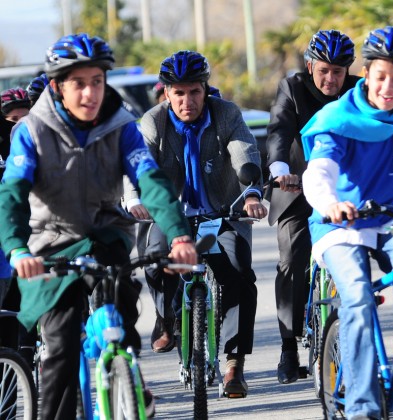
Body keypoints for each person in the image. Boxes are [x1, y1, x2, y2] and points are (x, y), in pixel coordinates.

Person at [0, 33, 198, 419]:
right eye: (78, 83)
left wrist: (178, 235)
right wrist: (17, 248)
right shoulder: (31, 130)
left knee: (121, 305)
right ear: (57, 86)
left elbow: (151, 181)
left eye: (97, 81)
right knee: (59, 345)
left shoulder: (121, 126)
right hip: (48, 243)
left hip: (105, 232)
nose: (90, 93)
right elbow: (12, 194)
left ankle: (128, 376)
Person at [301, 26, 393, 419]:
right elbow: (318, 173)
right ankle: (363, 407)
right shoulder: (338, 118)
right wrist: (331, 203)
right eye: (380, 76)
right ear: (365, 74)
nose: (388, 87)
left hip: (389, 217)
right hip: (339, 224)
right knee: (358, 297)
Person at [124, 50, 266, 397]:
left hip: (223, 212)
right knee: (157, 260)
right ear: (167, 93)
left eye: (195, 92)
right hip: (169, 214)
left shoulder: (227, 114)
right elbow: (136, 165)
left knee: (238, 272)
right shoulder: (153, 122)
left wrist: (251, 194)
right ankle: (168, 317)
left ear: (206, 89)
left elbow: (244, 153)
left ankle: (234, 365)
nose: (188, 100)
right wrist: (134, 199)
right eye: (179, 93)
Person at [266, 29, 360, 384]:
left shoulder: (358, 92)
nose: (331, 78)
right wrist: (279, 169)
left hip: (344, 191)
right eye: (323, 70)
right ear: (310, 66)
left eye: (339, 71)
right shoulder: (292, 87)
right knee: (292, 260)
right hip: (296, 186)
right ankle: (289, 347)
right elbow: (278, 130)